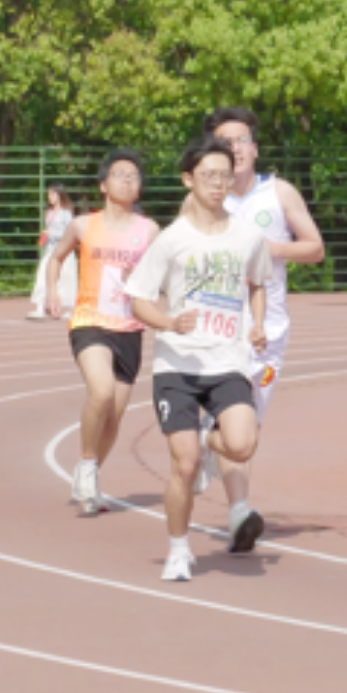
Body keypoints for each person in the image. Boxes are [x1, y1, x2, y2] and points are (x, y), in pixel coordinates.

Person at [125, 135, 273, 584]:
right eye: (209, 175)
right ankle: (178, 548)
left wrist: (257, 324)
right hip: (178, 365)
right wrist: (170, 323)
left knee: (242, 444)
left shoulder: (248, 235)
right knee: (184, 464)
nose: (218, 183)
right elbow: (138, 299)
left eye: (225, 176)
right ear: (188, 179)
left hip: (228, 360)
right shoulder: (172, 240)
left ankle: (211, 439)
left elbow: (258, 283)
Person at [203, 108, 327, 551]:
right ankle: (240, 512)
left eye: (241, 140)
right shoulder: (204, 199)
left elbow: (315, 247)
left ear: (254, 149)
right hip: (218, 329)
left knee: (247, 432)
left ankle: (203, 441)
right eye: (225, 142)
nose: (234, 148)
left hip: (268, 332)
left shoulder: (279, 192)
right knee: (233, 422)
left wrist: (271, 248)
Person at [61, 151, 159, 513]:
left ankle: (89, 475)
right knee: (100, 392)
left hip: (129, 327)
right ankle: (87, 465)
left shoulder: (149, 231)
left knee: (114, 417)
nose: (127, 180)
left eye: (134, 176)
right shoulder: (83, 225)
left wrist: (146, 282)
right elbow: (56, 257)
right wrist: (53, 291)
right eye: (119, 174)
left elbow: (162, 275)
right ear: (103, 185)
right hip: (90, 321)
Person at [27, 183, 75, 320]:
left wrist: (52, 233)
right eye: (49, 194)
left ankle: (70, 309)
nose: (50, 197)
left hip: (64, 251)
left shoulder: (66, 213)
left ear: (60, 195)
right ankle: (40, 307)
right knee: (43, 275)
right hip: (50, 251)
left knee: (67, 279)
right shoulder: (49, 212)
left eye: (53, 194)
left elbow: (69, 232)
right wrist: (45, 238)